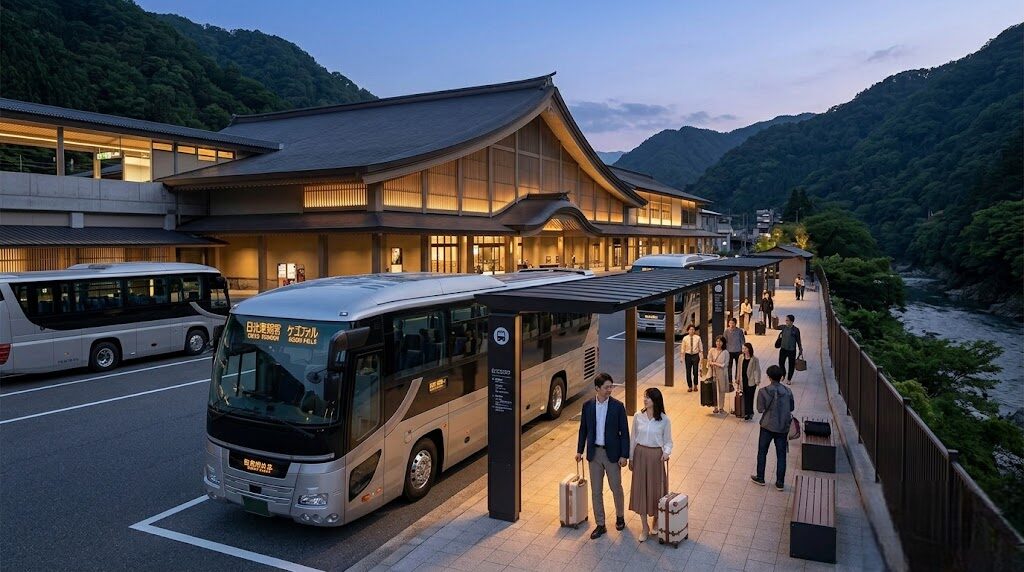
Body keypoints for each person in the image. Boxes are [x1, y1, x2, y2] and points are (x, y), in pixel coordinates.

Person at [576, 372, 630, 539]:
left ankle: (620, 517)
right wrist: (579, 450)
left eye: (611, 386)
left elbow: (624, 433)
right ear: (597, 389)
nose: (610, 390)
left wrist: (624, 455)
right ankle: (600, 524)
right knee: (596, 491)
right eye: (606, 387)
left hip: (612, 454)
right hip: (594, 454)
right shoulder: (587, 406)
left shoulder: (618, 406)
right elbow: (583, 429)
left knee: (616, 487)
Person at [628, 388, 673, 542]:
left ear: (656, 400)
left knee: (656, 491)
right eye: (644, 397)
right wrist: (631, 458)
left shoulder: (664, 420)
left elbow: (668, 442)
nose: (645, 400)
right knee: (641, 490)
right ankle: (644, 527)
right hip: (640, 455)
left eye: (648, 398)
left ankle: (656, 520)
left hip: (656, 457)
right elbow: (633, 438)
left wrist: (666, 453)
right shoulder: (637, 416)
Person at [751, 365, 795, 490]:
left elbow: (760, 409)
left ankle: (761, 477)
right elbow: (791, 408)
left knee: (762, 451)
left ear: (769, 377)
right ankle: (780, 482)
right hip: (782, 427)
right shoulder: (788, 391)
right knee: (781, 455)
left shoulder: (763, 391)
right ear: (781, 377)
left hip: (767, 426)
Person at [776, 314, 803, 384]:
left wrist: (800, 349)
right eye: (786, 320)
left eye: (787, 320)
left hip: (791, 350)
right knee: (781, 363)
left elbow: (798, 340)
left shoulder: (796, 330)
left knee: (791, 365)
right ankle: (783, 373)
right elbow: (776, 327)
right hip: (783, 349)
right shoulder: (784, 328)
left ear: (791, 321)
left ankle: (789, 379)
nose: (786, 321)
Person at [737, 342, 761, 420]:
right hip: (742, 380)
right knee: (744, 396)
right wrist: (737, 378)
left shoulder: (754, 359)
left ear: (749, 349)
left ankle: (750, 412)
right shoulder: (741, 357)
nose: (743, 350)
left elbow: (757, 370)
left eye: (745, 348)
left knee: (750, 397)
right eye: (743, 348)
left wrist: (757, 380)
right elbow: (739, 369)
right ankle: (745, 411)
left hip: (751, 381)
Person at [707, 336, 729, 414]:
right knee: (714, 390)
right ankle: (715, 407)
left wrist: (714, 363)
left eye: (720, 341)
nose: (718, 343)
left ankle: (721, 407)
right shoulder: (712, 350)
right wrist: (712, 363)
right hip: (713, 373)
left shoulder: (725, 352)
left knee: (721, 390)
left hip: (722, 374)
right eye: (717, 341)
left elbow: (725, 364)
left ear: (723, 343)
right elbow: (709, 361)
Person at [680, 325, 703, 392]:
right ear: (688, 331)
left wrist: (701, 357)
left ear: (694, 330)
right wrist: (682, 357)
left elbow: (701, 348)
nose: (691, 331)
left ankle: (695, 385)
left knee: (695, 371)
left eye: (693, 329)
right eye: (690, 329)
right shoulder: (685, 338)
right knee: (688, 372)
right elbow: (682, 348)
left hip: (695, 355)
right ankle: (690, 386)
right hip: (688, 356)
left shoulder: (698, 338)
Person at [725, 318, 745, 387]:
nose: (731, 325)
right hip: (729, 351)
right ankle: (730, 380)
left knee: (738, 366)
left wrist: (743, 349)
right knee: (729, 366)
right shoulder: (726, 331)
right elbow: (725, 340)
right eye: (730, 323)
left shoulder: (739, 331)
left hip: (738, 350)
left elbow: (742, 340)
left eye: (732, 323)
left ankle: (737, 378)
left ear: (735, 324)